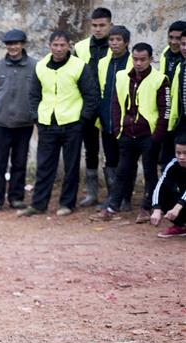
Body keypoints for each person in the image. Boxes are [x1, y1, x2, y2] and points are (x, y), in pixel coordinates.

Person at [19, 31, 99, 217]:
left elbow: (91, 96)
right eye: (55, 45)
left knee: (71, 167)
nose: (59, 49)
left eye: (63, 45)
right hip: (47, 124)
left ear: (68, 46)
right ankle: (38, 204)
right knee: (44, 166)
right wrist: (36, 117)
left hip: (72, 124)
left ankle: (67, 204)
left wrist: (82, 120)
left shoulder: (79, 66)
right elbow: (34, 95)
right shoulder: (40, 67)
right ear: (49, 46)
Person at [92, 43, 170, 223]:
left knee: (150, 172)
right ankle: (112, 206)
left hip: (147, 135)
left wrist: (156, 136)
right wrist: (119, 130)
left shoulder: (159, 79)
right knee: (122, 171)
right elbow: (116, 104)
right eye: (135, 59)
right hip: (127, 133)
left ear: (151, 59)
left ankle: (146, 207)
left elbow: (165, 110)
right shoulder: (122, 77)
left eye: (143, 59)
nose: (138, 63)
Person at [0, 29, 36, 211]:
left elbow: (37, 93)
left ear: (23, 44)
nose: (13, 47)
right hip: (1, 123)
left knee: (20, 162)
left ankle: (16, 198)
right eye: (9, 44)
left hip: (24, 123)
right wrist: (2, 108)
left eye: (16, 43)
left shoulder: (34, 66)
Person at [73, 7, 113, 208]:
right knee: (90, 149)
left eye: (102, 25)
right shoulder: (80, 47)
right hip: (87, 104)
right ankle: (92, 193)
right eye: (95, 25)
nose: (98, 29)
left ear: (110, 25)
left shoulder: (116, 45)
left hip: (109, 105)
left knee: (111, 149)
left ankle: (114, 195)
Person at [89, 25, 132, 209]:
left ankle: (126, 199)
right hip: (107, 120)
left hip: (127, 122)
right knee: (110, 160)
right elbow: (100, 90)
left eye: (118, 40)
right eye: (111, 40)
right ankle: (112, 198)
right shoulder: (103, 63)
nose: (114, 43)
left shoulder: (132, 62)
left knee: (127, 160)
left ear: (126, 42)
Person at [149, 133, 186, 237]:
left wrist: (178, 207)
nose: (181, 157)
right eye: (178, 153)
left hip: (183, 201)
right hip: (183, 201)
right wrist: (156, 209)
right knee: (166, 192)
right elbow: (159, 187)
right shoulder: (173, 165)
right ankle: (181, 226)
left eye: (185, 153)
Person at [159, 22, 186, 164]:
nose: (174, 42)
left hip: (179, 115)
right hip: (167, 112)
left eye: (178, 39)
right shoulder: (165, 54)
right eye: (171, 38)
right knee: (166, 157)